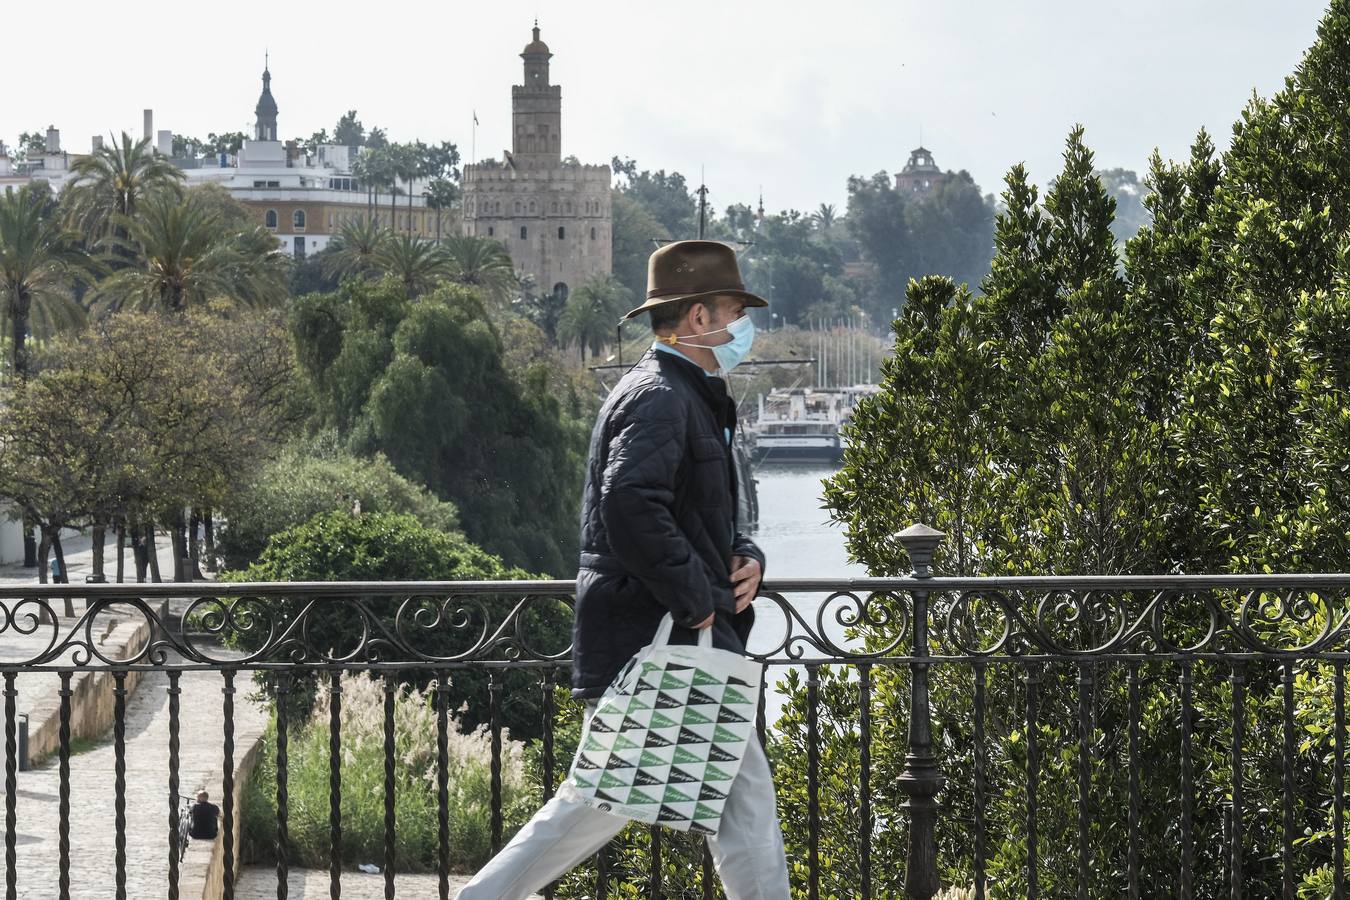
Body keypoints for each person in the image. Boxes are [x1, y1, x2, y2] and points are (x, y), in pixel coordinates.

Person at [456, 240, 790, 899]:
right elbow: (628, 503)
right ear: (698, 318)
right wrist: (698, 597)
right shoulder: (662, 397)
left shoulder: (679, 394)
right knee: (603, 802)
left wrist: (745, 557)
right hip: (668, 634)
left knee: (725, 802)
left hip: (672, 632)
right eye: (732, 309)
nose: (743, 326)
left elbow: (699, 512)